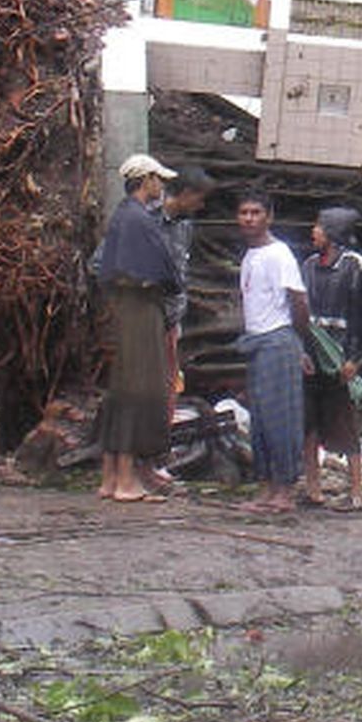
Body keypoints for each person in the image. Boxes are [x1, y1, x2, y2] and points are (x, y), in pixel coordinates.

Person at [95, 154, 184, 503]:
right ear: (145, 179)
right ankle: (127, 481)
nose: (161, 186)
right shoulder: (139, 220)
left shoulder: (123, 216)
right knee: (141, 388)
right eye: (157, 179)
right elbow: (157, 272)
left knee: (121, 389)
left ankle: (110, 476)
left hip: (125, 309)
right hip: (141, 310)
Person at [237, 190, 310, 514]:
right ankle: (266, 488)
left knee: (282, 419)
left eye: (256, 212)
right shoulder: (250, 256)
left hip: (277, 340)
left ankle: (286, 490)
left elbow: (299, 301)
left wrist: (297, 342)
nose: (249, 218)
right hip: (256, 341)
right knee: (261, 420)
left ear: (269, 216)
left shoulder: (280, 254)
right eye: (244, 213)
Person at [149, 165, 215, 487]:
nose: (200, 207)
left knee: (169, 390)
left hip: (174, 320)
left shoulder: (184, 227)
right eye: (199, 199)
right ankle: (142, 460)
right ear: (186, 194)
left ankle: (159, 459)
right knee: (146, 391)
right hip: (148, 319)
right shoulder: (145, 220)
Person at [300, 206, 362, 511]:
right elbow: (299, 313)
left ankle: (357, 491)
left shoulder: (356, 266)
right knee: (309, 423)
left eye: (319, 226)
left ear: (333, 232)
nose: (313, 232)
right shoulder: (309, 266)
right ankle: (312, 486)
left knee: (347, 423)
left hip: (341, 356)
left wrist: (357, 359)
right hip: (312, 355)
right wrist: (301, 350)